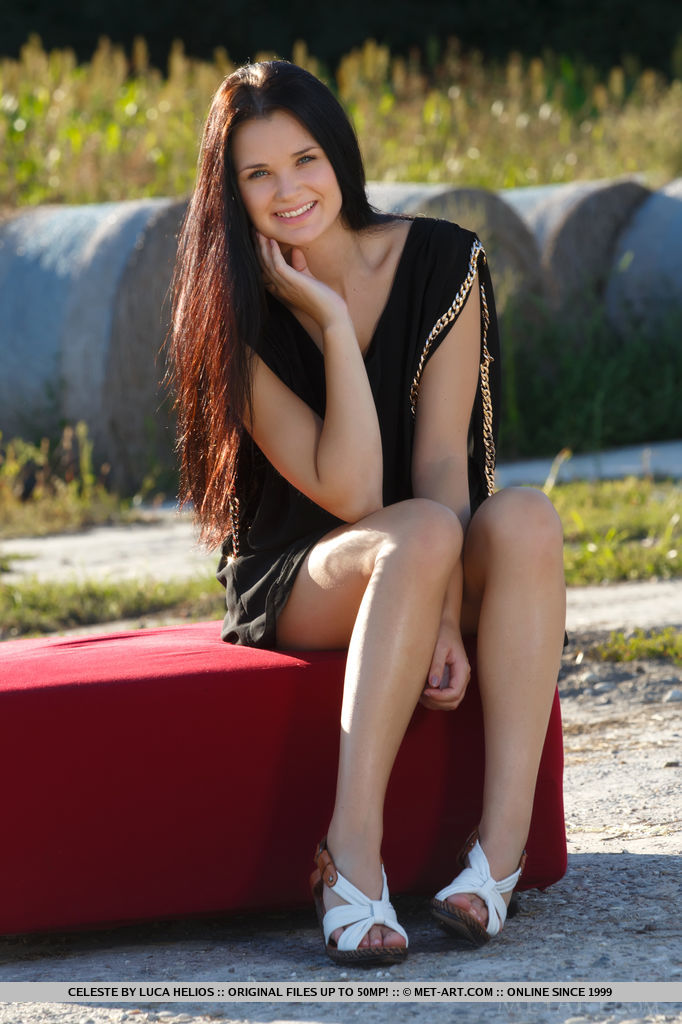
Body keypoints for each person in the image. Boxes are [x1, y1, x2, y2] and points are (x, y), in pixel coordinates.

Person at [168, 60, 566, 966]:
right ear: (229, 193)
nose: (288, 191)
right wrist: (330, 320)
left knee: (526, 519)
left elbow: (443, 462)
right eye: (257, 174)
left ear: (339, 155)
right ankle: (349, 855)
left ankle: (500, 854)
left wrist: (445, 614)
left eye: (304, 160)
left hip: (427, 536)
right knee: (415, 535)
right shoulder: (228, 313)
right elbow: (348, 491)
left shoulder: (445, 261)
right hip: (301, 571)